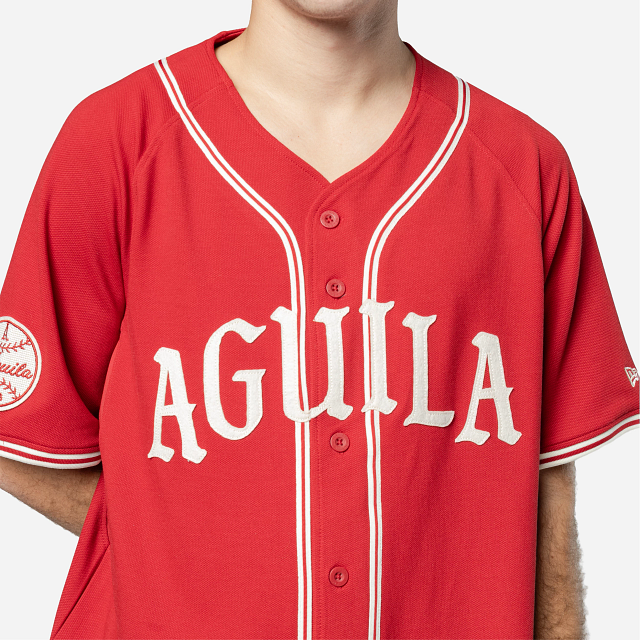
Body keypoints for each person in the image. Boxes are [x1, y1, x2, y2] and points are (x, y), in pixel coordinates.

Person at [0, 1, 637, 639]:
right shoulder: (116, 142)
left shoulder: (522, 166)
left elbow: (551, 490)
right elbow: (18, 430)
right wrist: (165, 542)